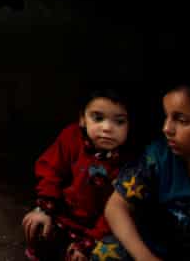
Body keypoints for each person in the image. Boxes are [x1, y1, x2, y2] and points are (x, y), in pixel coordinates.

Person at [94, 78, 190, 260]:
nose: (166, 128)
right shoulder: (159, 157)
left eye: (182, 120)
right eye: (166, 117)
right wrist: (145, 257)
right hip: (153, 250)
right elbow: (116, 207)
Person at [23, 89, 133, 261]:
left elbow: (119, 212)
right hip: (63, 215)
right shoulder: (72, 137)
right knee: (36, 226)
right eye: (98, 118)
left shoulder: (132, 163)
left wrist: (87, 243)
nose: (107, 128)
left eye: (119, 122)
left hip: (100, 229)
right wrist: (45, 208)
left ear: (130, 125)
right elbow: (50, 169)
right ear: (83, 119)